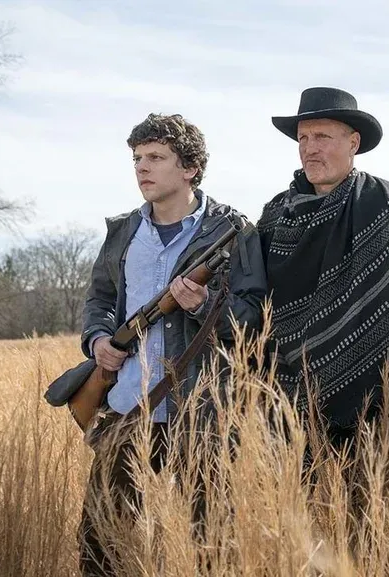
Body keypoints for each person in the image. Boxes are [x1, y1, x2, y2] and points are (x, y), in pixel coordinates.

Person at [76, 113, 268, 576]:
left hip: (201, 412)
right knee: (100, 545)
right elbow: (100, 299)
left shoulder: (233, 232)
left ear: (190, 169)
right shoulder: (123, 232)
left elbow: (255, 317)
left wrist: (203, 304)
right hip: (129, 406)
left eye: (156, 157)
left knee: (208, 546)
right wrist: (99, 340)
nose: (142, 167)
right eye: (137, 158)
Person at [256, 86, 389, 449]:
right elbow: (255, 305)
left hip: (376, 410)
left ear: (353, 142)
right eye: (303, 138)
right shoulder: (275, 215)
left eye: (322, 137)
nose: (310, 148)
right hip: (282, 406)